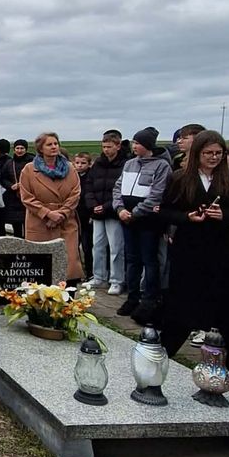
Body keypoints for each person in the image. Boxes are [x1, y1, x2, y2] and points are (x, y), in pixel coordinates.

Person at [158, 130, 229, 395]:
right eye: (208, 153)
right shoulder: (181, 179)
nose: (213, 158)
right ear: (197, 154)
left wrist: (222, 214)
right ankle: (159, 358)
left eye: (218, 153)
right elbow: (165, 210)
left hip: (221, 250)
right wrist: (187, 217)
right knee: (180, 307)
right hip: (189, 249)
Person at [113, 127, 172, 318]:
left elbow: (157, 195)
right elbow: (118, 188)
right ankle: (132, 298)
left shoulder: (161, 166)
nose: (134, 146)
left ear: (147, 145)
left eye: (137, 143)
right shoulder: (129, 164)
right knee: (132, 260)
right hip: (127, 221)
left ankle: (148, 300)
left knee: (149, 260)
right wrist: (120, 209)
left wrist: (135, 213)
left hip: (147, 222)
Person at [18, 132, 82, 282]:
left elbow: (75, 193)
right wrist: (47, 213)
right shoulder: (29, 170)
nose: (54, 147)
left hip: (65, 222)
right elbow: (26, 197)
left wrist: (62, 213)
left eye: (56, 144)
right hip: (40, 222)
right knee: (41, 266)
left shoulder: (70, 168)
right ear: (40, 148)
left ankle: (67, 302)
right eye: (49, 144)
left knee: (69, 263)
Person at [83, 130, 125, 295]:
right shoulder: (98, 164)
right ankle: (99, 276)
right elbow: (89, 185)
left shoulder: (124, 164)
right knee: (97, 246)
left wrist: (107, 206)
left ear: (118, 146)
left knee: (116, 248)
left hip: (113, 212)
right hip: (96, 212)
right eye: (104, 146)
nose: (106, 150)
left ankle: (117, 280)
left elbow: (122, 190)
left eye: (109, 146)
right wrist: (92, 204)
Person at [0, 139, 32, 237]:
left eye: (22, 148)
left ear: (26, 149)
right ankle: (18, 249)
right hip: (14, 199)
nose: (19, 150)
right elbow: (3, 178)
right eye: (17, 148)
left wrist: (25, 185)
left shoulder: (32, 162)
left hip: (29, 197)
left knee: (29, 226)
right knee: (16, 227)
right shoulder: (9, 163)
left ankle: (29, 249)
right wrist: (10, 186)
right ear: (14, 149)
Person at [72, 152, 94, 279]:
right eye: (77, 163)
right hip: (75, 215)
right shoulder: (73, 176)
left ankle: (90, 272)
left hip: (87, 216)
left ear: (89, 164)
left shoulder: (91, 177)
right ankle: (77, 272)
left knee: (87, 246)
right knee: (74, 246)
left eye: (83, 163)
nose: (79, 166)